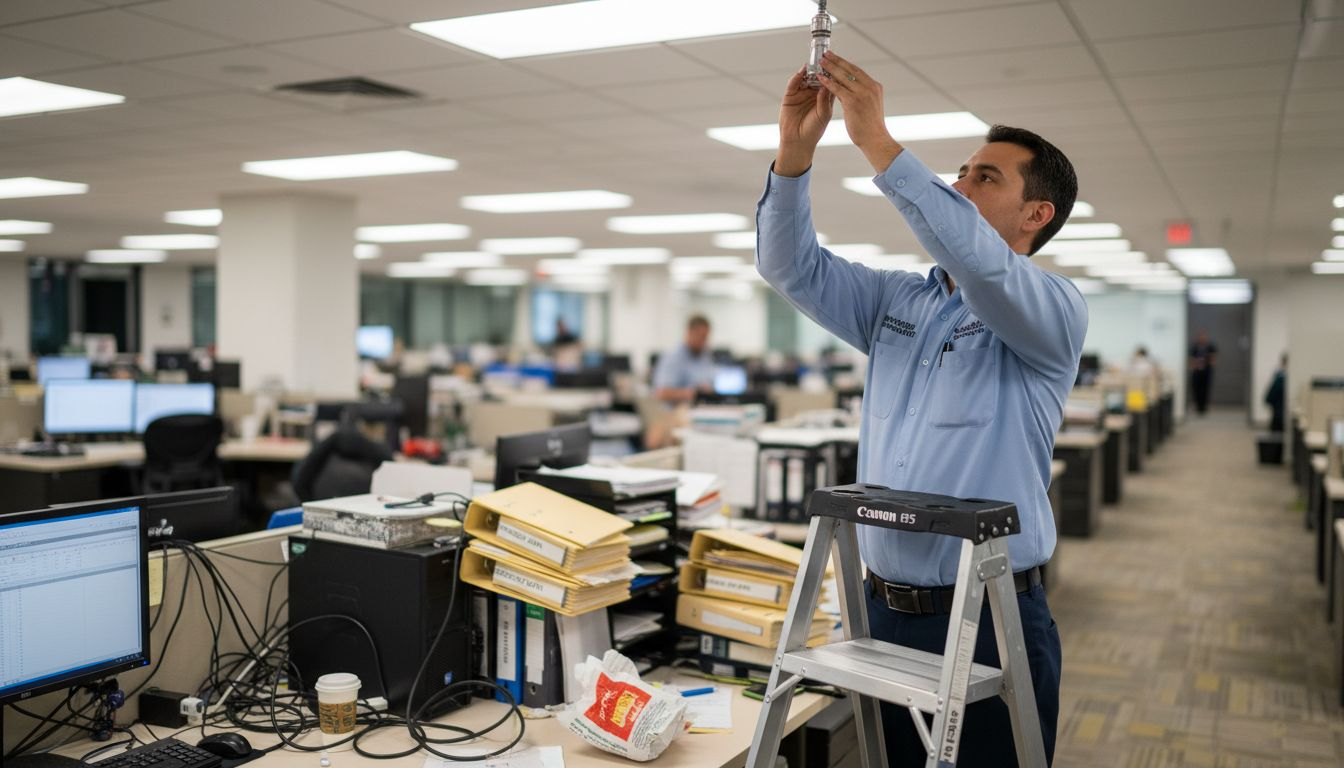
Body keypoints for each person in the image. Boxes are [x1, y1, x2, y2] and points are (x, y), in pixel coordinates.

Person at [756, 51, 1086, 766]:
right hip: (880, 612)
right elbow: (790, 267)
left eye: (983, 176)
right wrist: (794, 153)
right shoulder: (899, 301)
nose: (960, 183)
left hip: (990, 619)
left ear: (1037, 213)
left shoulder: (1051, 309)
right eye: (962, 171)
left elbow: (980, 260)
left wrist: (876, 139)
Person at [651, 315, 716, 404]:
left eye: (706, 337)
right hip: (676, 414)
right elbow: (661, 393)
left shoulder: (705, 355)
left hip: (702, 409)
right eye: (701, 336)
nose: (704, 341)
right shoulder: (673, 358)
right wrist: (694, 393)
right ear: (689, 333)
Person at [1189, 329, 1217, 415]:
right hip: (1197, 372)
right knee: (1196, 389)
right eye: (1200, 337)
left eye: (1203, 337)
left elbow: (1214, 358)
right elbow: (1191, 359)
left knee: (1205, 389)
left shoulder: (1210, 347)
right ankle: (1198, 406)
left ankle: (1204, 407)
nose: (1202, 339)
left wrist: (1209, 362)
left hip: (1206, 371)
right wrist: (1194, 365)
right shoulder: (1194, 347)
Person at [1265, 353, 1287, 433]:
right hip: (1279, 413)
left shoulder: (1280, 378)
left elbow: (1269, 398)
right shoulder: (1280, 377)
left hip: (1279, 414)